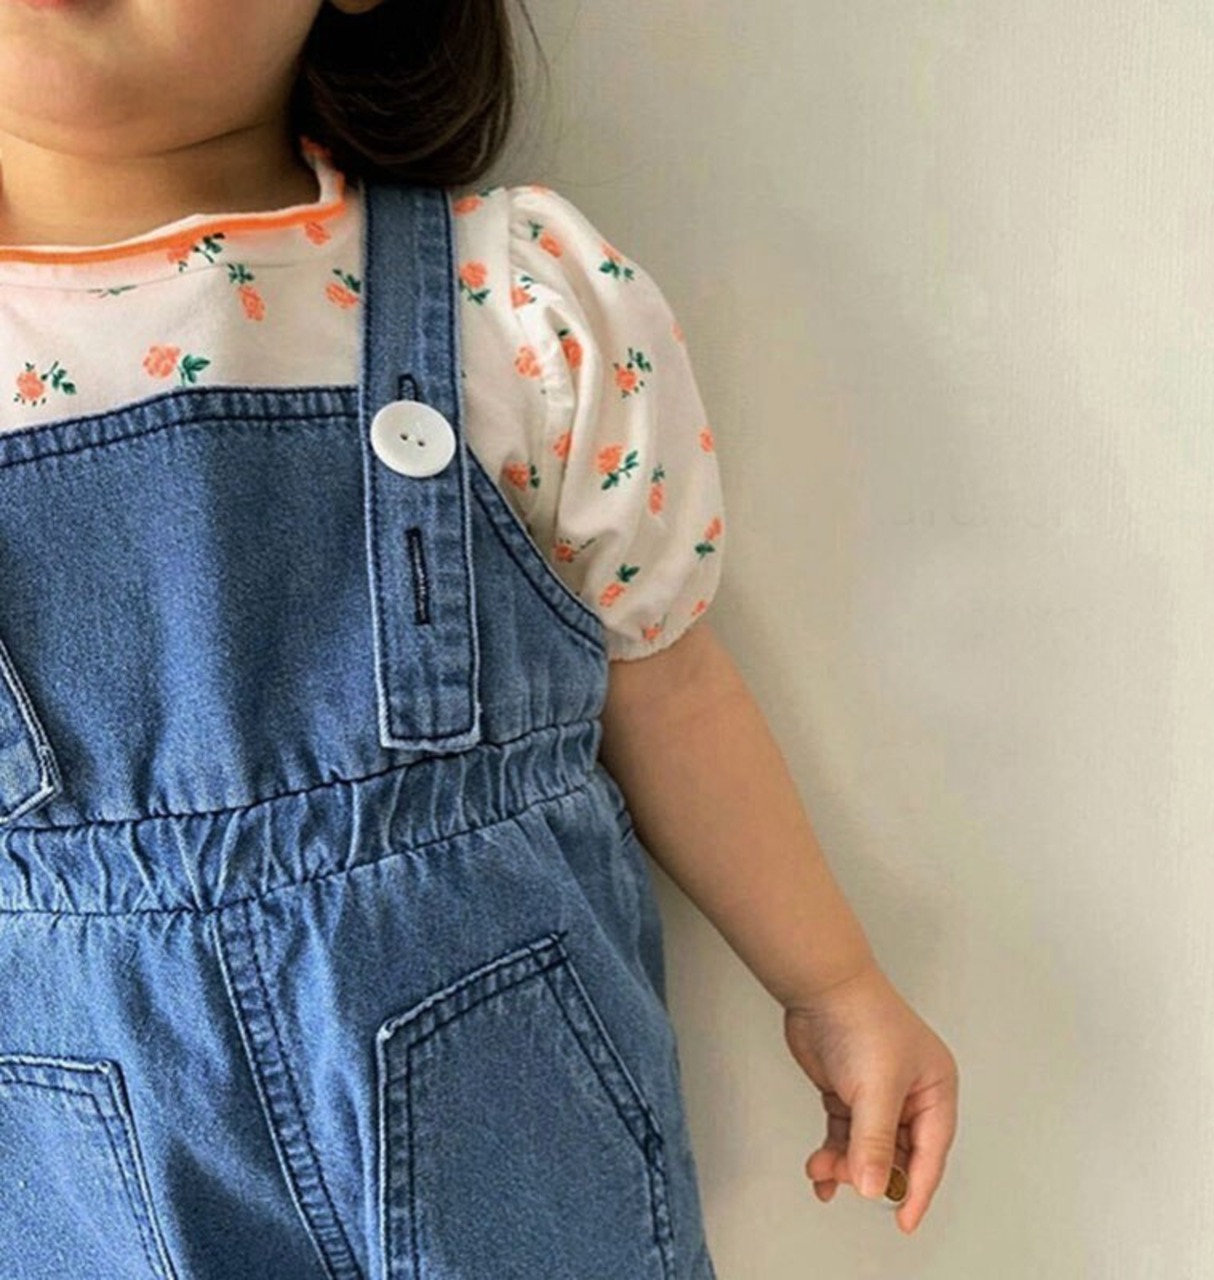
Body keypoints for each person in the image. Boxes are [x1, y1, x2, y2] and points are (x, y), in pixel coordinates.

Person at [0, 0, 958, 1275]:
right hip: (62, 1159)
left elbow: (663, 681)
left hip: (504, 1102)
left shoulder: (505, 301)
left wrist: (829, 980)